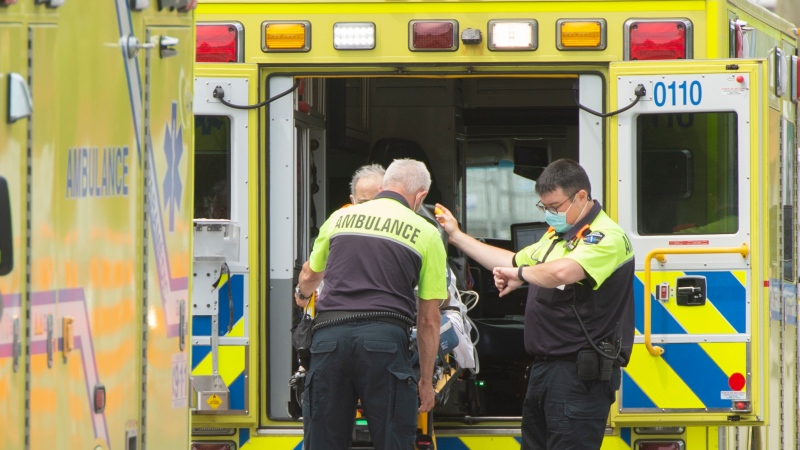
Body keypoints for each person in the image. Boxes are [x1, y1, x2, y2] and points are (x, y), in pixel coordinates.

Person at [434, 158, 634, 450]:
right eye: (544, 208)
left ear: (581, 196)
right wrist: (456, 237)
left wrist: (521, 275)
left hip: (578, 375)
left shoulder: (606, 237)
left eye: (554, 207)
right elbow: (511, 260)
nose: (549, 215)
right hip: (546, 370)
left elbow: (562, 272)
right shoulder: (559, 235)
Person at [294, 158, 447, 450]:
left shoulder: (340, 218)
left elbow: (310, 274)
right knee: (393, 440)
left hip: (329, 340)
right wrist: (426, 382)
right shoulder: (426, 232)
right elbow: (428, 319)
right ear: (421, 196)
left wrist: (302, 295)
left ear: (384, 185)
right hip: (384, 341)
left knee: (323, 441)